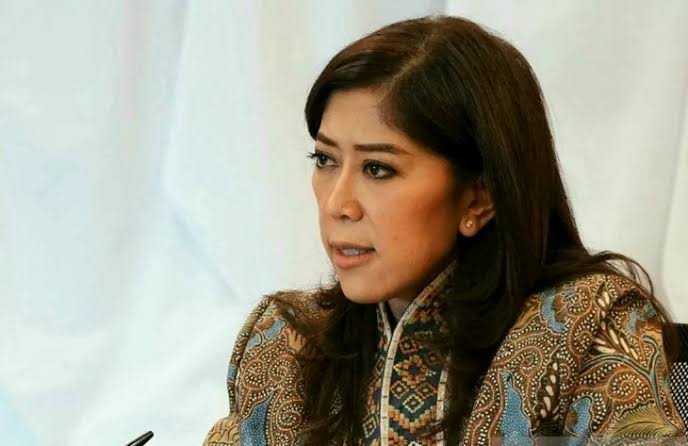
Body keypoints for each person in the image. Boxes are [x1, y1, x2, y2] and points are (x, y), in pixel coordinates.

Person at [201, 15, 686, 445]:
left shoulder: (584, 327)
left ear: (479, 197)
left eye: (377, 169)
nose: (337, 204)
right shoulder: (283, 345)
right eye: (325, 160)